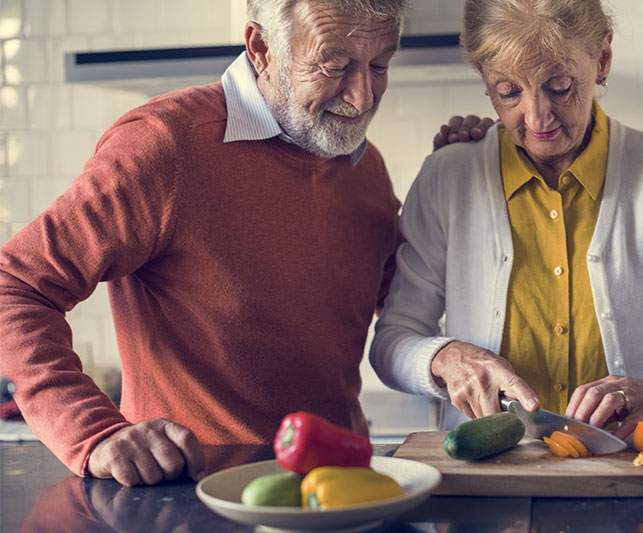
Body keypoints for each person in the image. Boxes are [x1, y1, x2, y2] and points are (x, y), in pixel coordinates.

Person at [0, 0, 451, 487]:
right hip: (187, 493)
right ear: (262, 48)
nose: (363, 97)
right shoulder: (168, 144)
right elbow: (16, 285)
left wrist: (467, 177)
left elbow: (401, 301)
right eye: (334, 64)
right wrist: (93, 430)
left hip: (337, 486)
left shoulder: (363, 163)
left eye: (380, 64)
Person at [370, 0, 643, 439]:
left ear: (602, 59)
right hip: (494, 479)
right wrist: (447, 357)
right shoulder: (449, 176)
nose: (537, 118)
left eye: (559, 86)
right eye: (509, 91)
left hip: (641, 477)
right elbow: (392, 341)